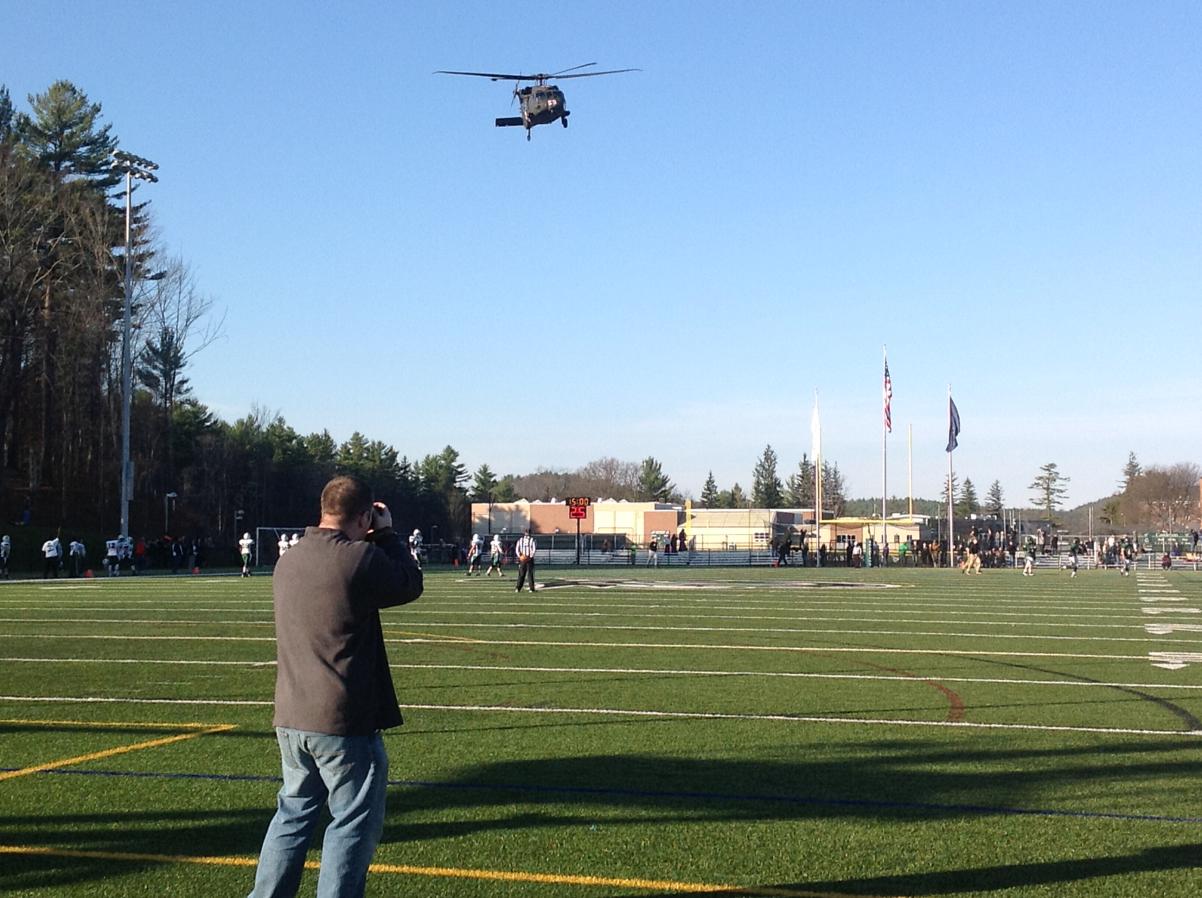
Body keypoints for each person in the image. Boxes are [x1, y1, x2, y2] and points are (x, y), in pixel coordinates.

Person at [246, 475, 423, 898]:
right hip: (341, 720)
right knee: (350, 824)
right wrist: (388, 534)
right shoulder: (358, 558)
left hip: (291, 715)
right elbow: (409, 583)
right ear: (363, 517)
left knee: (292, 816)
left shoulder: (288, 560)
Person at [514, 528, 537, 593]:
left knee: (521, 574)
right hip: (529, 559)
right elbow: (534, 549)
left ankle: (518, 588)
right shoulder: (532, 540)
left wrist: (520, 556)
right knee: (530, 574)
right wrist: (530, 557)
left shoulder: (520, 540)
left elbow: (517, 549)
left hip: (523, 559)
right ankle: (531, 589)